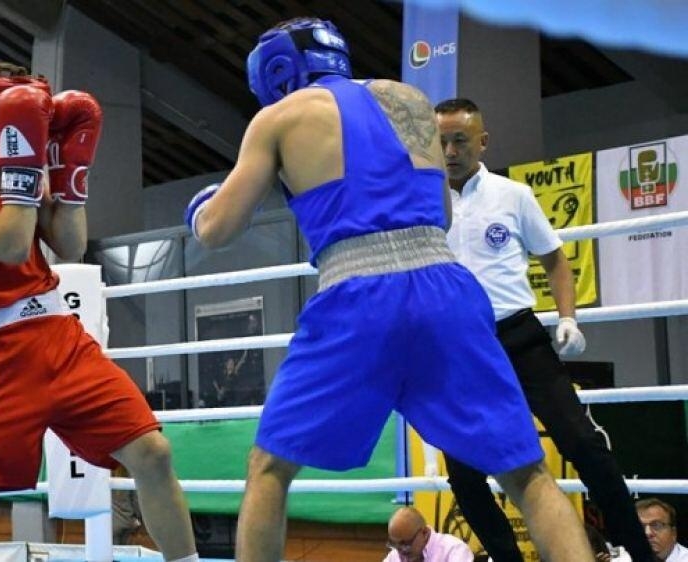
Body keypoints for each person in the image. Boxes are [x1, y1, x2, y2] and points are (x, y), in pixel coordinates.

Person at [184, 17, 593, 562]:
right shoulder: (410, 99)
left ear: (277, 72)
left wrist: (198, 212)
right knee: (529, 474)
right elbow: (442, 214)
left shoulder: (278, 117)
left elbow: (217, 231)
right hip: (445, 286)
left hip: (359, 296)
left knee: (269, 468)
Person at [0, 61, 197, 562]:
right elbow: (12, 246)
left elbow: (70, 245)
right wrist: (24, 168)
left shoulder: (13, 169)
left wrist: (68, 176)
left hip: (60, 336)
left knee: (153, 453)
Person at [434, 97, 654, 562]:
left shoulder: (512, 195)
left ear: (482, 141)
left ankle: (639, 552)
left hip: (519, 336)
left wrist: (568, 315)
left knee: (584, 445)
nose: (450, 150)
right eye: (442, 141)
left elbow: (554, 257)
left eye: (460, 140)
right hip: (459, 349)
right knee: (464, 474)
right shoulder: (420, 203)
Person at [384, 507, 473, 562]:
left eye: (406, 544)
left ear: (424, 533)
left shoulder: (454, 550)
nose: (401, 552)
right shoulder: (394, 556)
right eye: (394, 544)